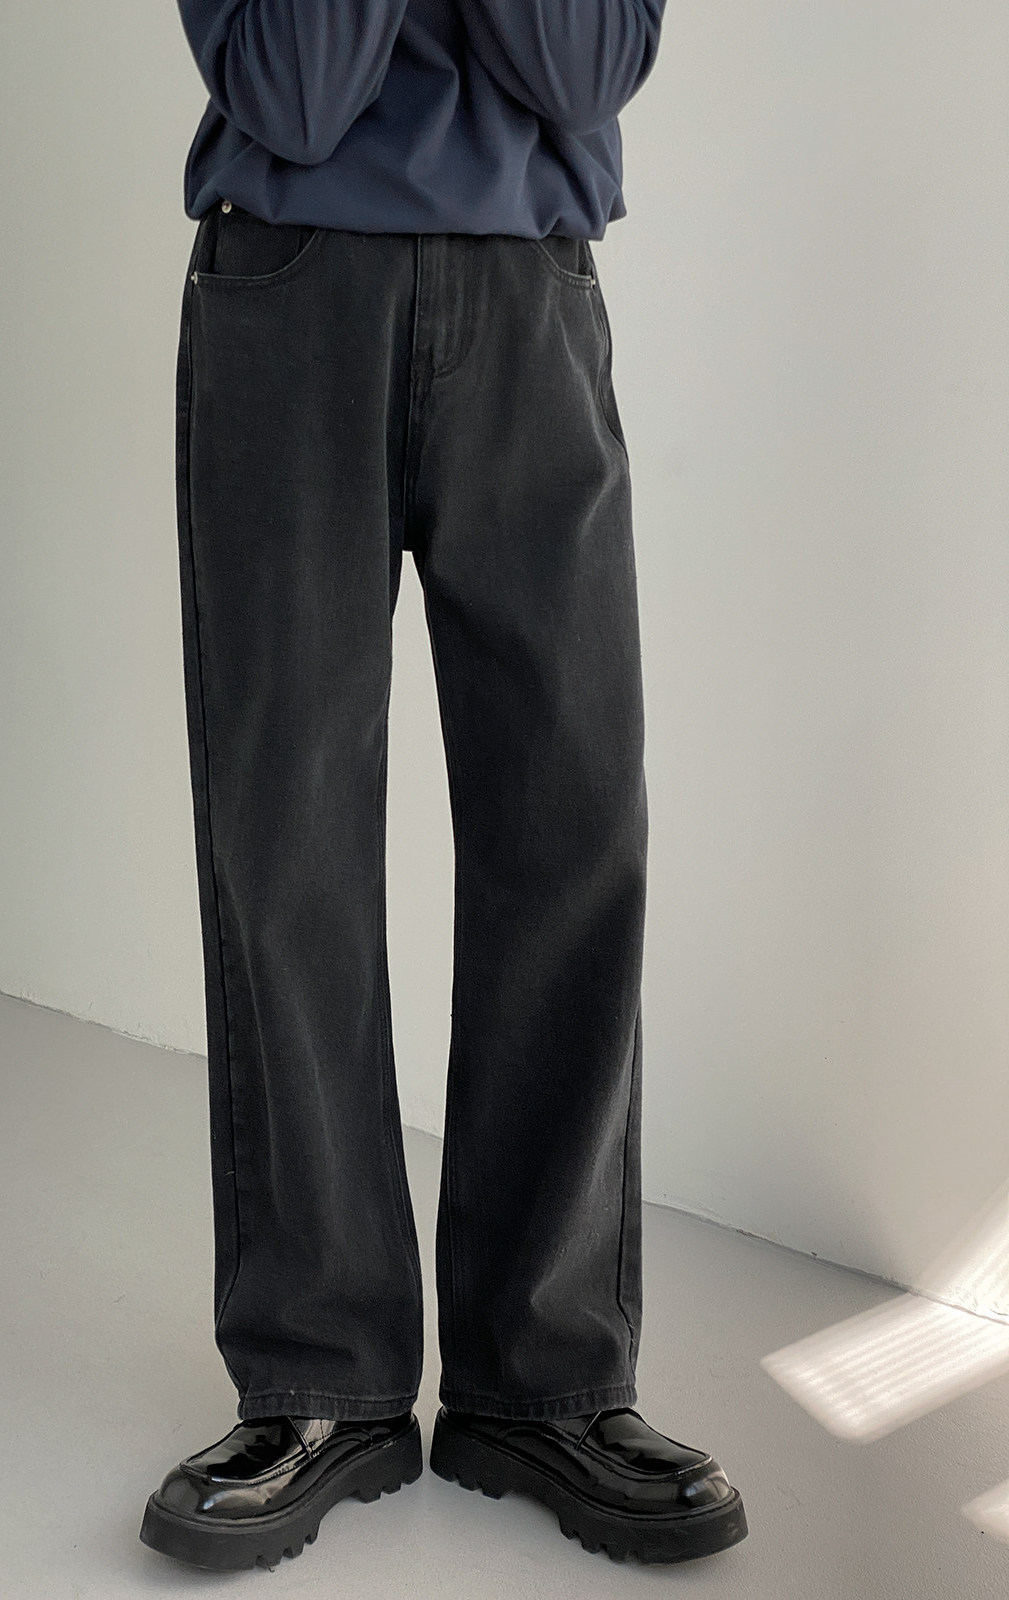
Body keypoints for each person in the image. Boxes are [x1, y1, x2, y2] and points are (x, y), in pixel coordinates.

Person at [139, 0, 748, 1572]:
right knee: (285, 843)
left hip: (532, 302)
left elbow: (582, 71)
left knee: (572, 826)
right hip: (287, 297)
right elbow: (295, 89)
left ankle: (545, 1382)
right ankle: (317, 1377)